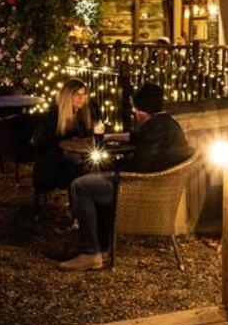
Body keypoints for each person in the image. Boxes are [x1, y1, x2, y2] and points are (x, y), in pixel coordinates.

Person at [60, 82, 192, 271]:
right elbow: (139, 137)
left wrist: (111, 166)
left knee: (81, 185)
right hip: (157, 186)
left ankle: (90, 253)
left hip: (139, 190)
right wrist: (112, 137)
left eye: (135, 109)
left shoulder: (153, 129)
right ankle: (101, 246)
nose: (134, 113)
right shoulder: (167, 124)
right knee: (96, 180)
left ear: (141, 112)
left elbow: (138, 167)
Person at [31, 78, 98, 203]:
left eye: (83, 94)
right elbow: (44, 144)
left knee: (94, 164)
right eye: (77, 94)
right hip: (54, 164)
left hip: (78, 155)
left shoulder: (84, 114)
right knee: (79, 167)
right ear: (68, 96)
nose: (81, 98)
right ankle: (78, 208)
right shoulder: (55, 116)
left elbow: (86, 136)